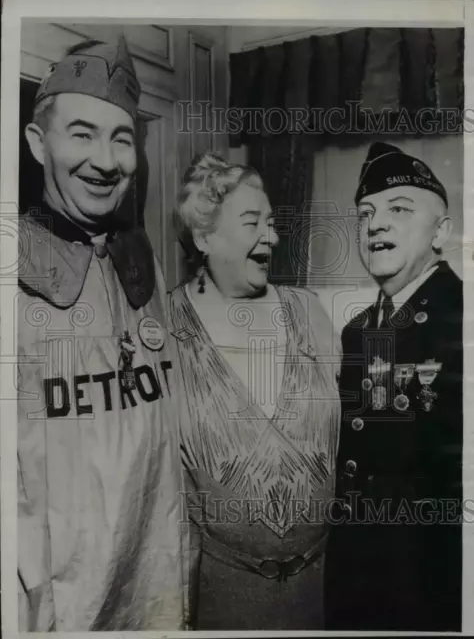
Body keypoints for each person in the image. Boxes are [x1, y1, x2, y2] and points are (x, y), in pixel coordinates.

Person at [17, 37, 188, 631]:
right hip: (58, 609)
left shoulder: (146, 266)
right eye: (82, 133)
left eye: (122, 138)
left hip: (158, 589)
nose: (106, 160)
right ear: (39, 144)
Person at [168, 151, 341, 630]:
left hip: (325, 589)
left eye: (271, 222)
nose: (272, 236)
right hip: (223, 596)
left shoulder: (309, 312)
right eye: (252, 222)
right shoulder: (164, 330)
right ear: (204, 237)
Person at [325, 142, 463, 631]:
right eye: (365, 214)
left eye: (399, 210)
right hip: (357, 585)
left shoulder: (461, 318)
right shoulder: (360, 330)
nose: (375, 224)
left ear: (441, 231)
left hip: (431, 591)